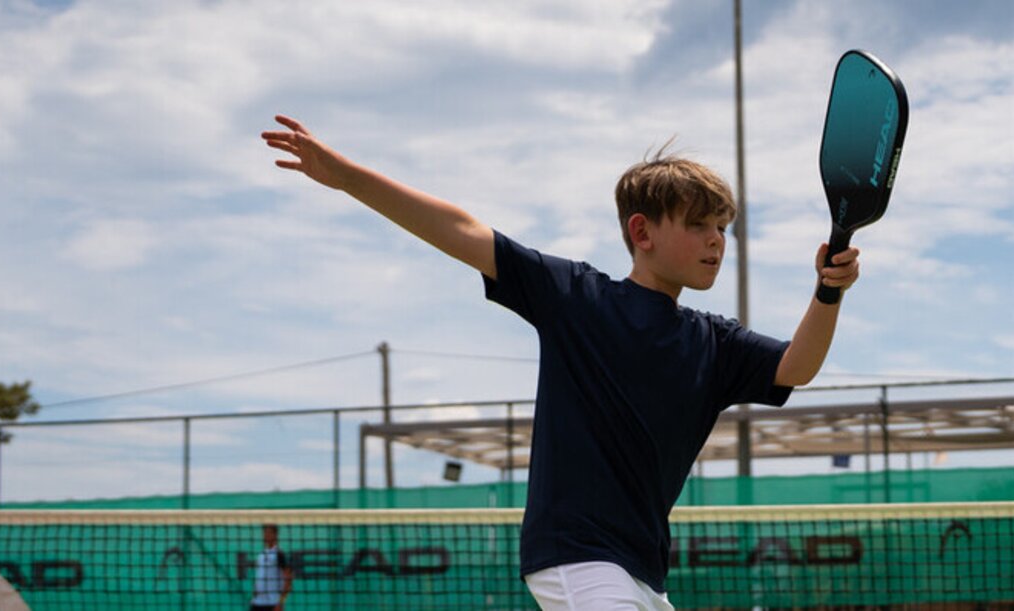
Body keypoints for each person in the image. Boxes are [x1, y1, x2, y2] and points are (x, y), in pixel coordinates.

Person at [262, 115, 860, 610]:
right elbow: (461, 228)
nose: (716, 241)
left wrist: (828, 291)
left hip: (644, 576)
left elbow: (796, 366)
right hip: (577, 557)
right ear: (641, 231)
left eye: (722, 228)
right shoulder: (576, 296)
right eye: (699, 225)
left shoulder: (715, 342)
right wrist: (344, 177)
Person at [249, 524, 293, 611]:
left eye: (269, 532)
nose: (266, 535)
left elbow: (289, 578)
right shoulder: (261, 554)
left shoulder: (279, 554)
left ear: (275, 535)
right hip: (257, 603)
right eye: (265, 532)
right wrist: (255, 593)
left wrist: (280, 602)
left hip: (272, 603)